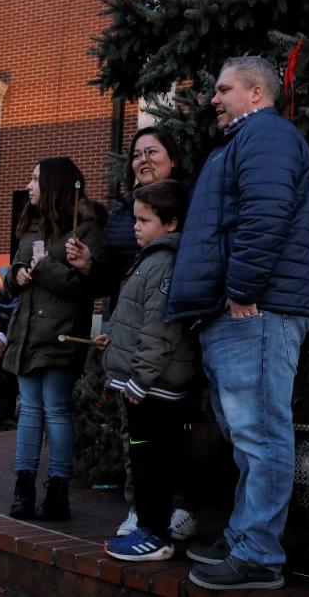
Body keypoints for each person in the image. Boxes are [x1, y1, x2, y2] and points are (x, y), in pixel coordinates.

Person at [165, 56, 309, 591]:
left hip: (257, 310)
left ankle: (258, 555)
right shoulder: (245, 141)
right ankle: (244, 538)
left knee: (259, 433)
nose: (214, 97)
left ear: (257, 93)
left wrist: (241, 292)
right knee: (248, 433)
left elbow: (265, 214)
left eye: (224, 89)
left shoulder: (268, 136)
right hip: (244, 311)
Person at [66, 127, 197, 540]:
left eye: (152, 151)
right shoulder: (125, 210)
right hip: (130, 322)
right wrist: (90, 266)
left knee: (170, 430)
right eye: (136, 153)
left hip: (167, 333)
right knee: (135, 430)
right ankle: (141, 508)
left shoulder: (189, 206)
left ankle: (174, 510)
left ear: (172, 158)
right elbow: (113, 272)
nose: (143, 159)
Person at [98, 179, 197, 562]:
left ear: (170, 223)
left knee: (150, 463)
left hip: (152, 390)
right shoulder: (153, 259)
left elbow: (160, 329)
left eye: (144, 220)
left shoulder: (164, 264)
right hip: (145, 386)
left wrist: (139, 379)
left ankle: (154, 535)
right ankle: (149, 528)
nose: (135, 227)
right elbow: (139, 323)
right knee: (144, 460)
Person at [4, 157, 105, 521]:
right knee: (29, 412)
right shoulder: (31, 226)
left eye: (35, 180)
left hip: (61, 334)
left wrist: (45, 267)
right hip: (27, 333)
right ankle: (24, 487)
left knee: (56, 411)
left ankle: (58, 490)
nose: (29, 186)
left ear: (54, 184)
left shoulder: (85, 228)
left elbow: (86, 286)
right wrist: (15, 275)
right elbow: (15, 267)